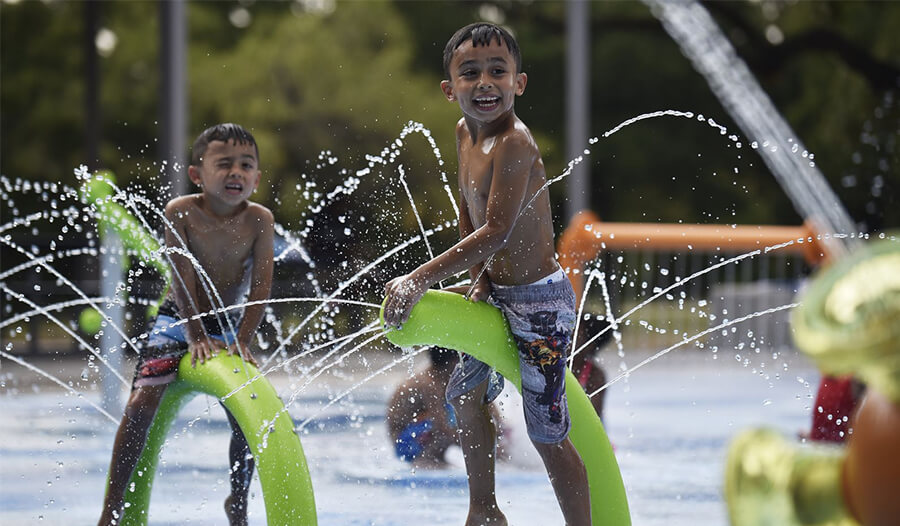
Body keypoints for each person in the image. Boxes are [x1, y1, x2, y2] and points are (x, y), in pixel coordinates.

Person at [384, 23, 591, 526]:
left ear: (519, 83)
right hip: (498, 293)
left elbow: (497, 229)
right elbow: (467, 212)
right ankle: (484, 509)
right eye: (469, 72)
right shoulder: (463, 134)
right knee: (463, 394)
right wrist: (478, 280)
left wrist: (420, 278)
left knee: (547, 433)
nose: (484, 83)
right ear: (449, 88)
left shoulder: (514, 143)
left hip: (540, 304)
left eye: (498, 71)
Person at [98, 123, 275, 526]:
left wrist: (243, 340)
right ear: (197, 174)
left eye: (246, 165)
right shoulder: (181, 212)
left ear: (257, 178)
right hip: (177, 319)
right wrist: (194, 335)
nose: (236, 173)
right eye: (224, 163)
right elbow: (181, 277)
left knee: (247, 414)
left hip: (229, 323)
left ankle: (239, 502)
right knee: (141, 404)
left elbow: (262, 287)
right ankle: (112, 508)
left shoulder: (260, 220)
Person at [386, 347, 460, 468]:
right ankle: (425, 461)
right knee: (445, 428)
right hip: (405, 443)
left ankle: (436, 459)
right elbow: (442, 427)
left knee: (460, 410)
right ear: (452, 361)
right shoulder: (428, 383)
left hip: (414, 434)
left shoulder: (441, 377)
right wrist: (479, 443)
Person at [572, 311, 613, 421]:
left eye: (575, 335)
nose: (567, 337)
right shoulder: (552, 364)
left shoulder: (594, 375)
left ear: (590, 345)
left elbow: (593, 418)